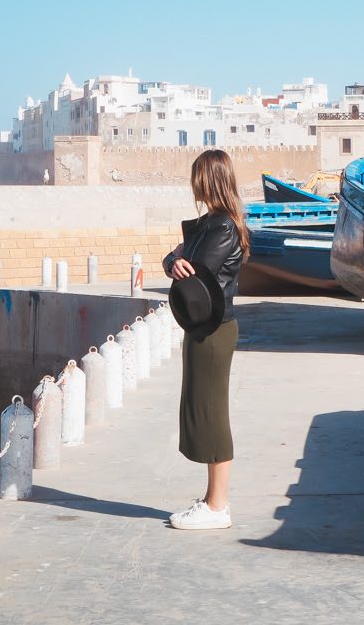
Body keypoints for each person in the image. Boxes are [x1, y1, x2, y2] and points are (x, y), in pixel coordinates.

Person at [163, 150, 248, 530]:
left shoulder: (223, 227)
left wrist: (180, 266)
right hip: (204, 329)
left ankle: (217, 507)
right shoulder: (210, 223)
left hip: (214, 330)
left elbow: (199, 274)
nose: (193, 183)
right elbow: (177, 258)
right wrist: (172, 263)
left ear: (209, 180)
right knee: (202, 408)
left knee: (213, 413)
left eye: (197, 176)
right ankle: (213, 501)